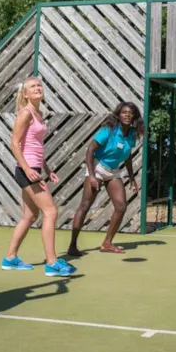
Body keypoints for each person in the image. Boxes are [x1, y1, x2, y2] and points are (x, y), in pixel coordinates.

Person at [1, 77, 77, 277]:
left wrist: (47, 168)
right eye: (33, 86)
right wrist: (27, 169)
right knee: (50, 212)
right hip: (27, 171)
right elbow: (15, 143)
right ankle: (52, 263)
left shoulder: (38, 114)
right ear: (25, 94)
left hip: (34, 168)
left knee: (30, 216)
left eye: (39, 86)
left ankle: (10, 259)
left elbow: (35, 147)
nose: (37, 88)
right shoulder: (25, 113)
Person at [66, 101, 143, 256]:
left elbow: (127, 156)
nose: (127, 115)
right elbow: (89, 150)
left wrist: (132, 178)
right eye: (124, 112)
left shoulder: (132, 134)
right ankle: (72, 246)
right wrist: (92, 176)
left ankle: (107, 243)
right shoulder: (108, 130)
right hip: (98, 167)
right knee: (85, 205)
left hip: (113, 170)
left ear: (134, 116)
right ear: (118, 115)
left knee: (121, 206)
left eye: (130, 113)